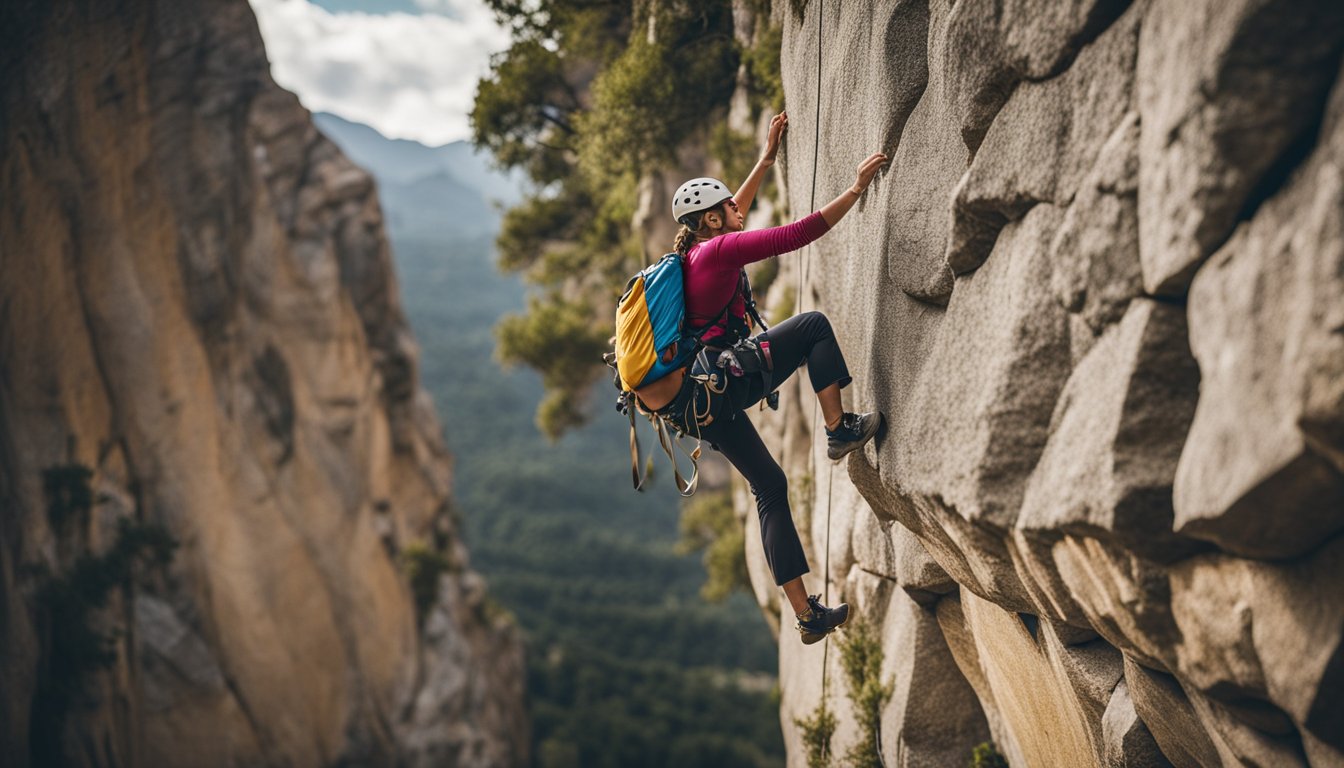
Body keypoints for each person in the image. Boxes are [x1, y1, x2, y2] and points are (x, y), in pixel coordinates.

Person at [640, 111, 887, 644]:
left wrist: (768, 158)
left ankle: (807, 616)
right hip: (723, 381)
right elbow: (797, 233)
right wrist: (854, 189)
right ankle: (839, 428)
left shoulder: (694, 255)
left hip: (695, 402)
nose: (738, 209)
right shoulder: (722, 249)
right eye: (726, 206)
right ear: (710, 220)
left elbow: (737, 213)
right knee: (814, 327)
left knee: (770, 487)